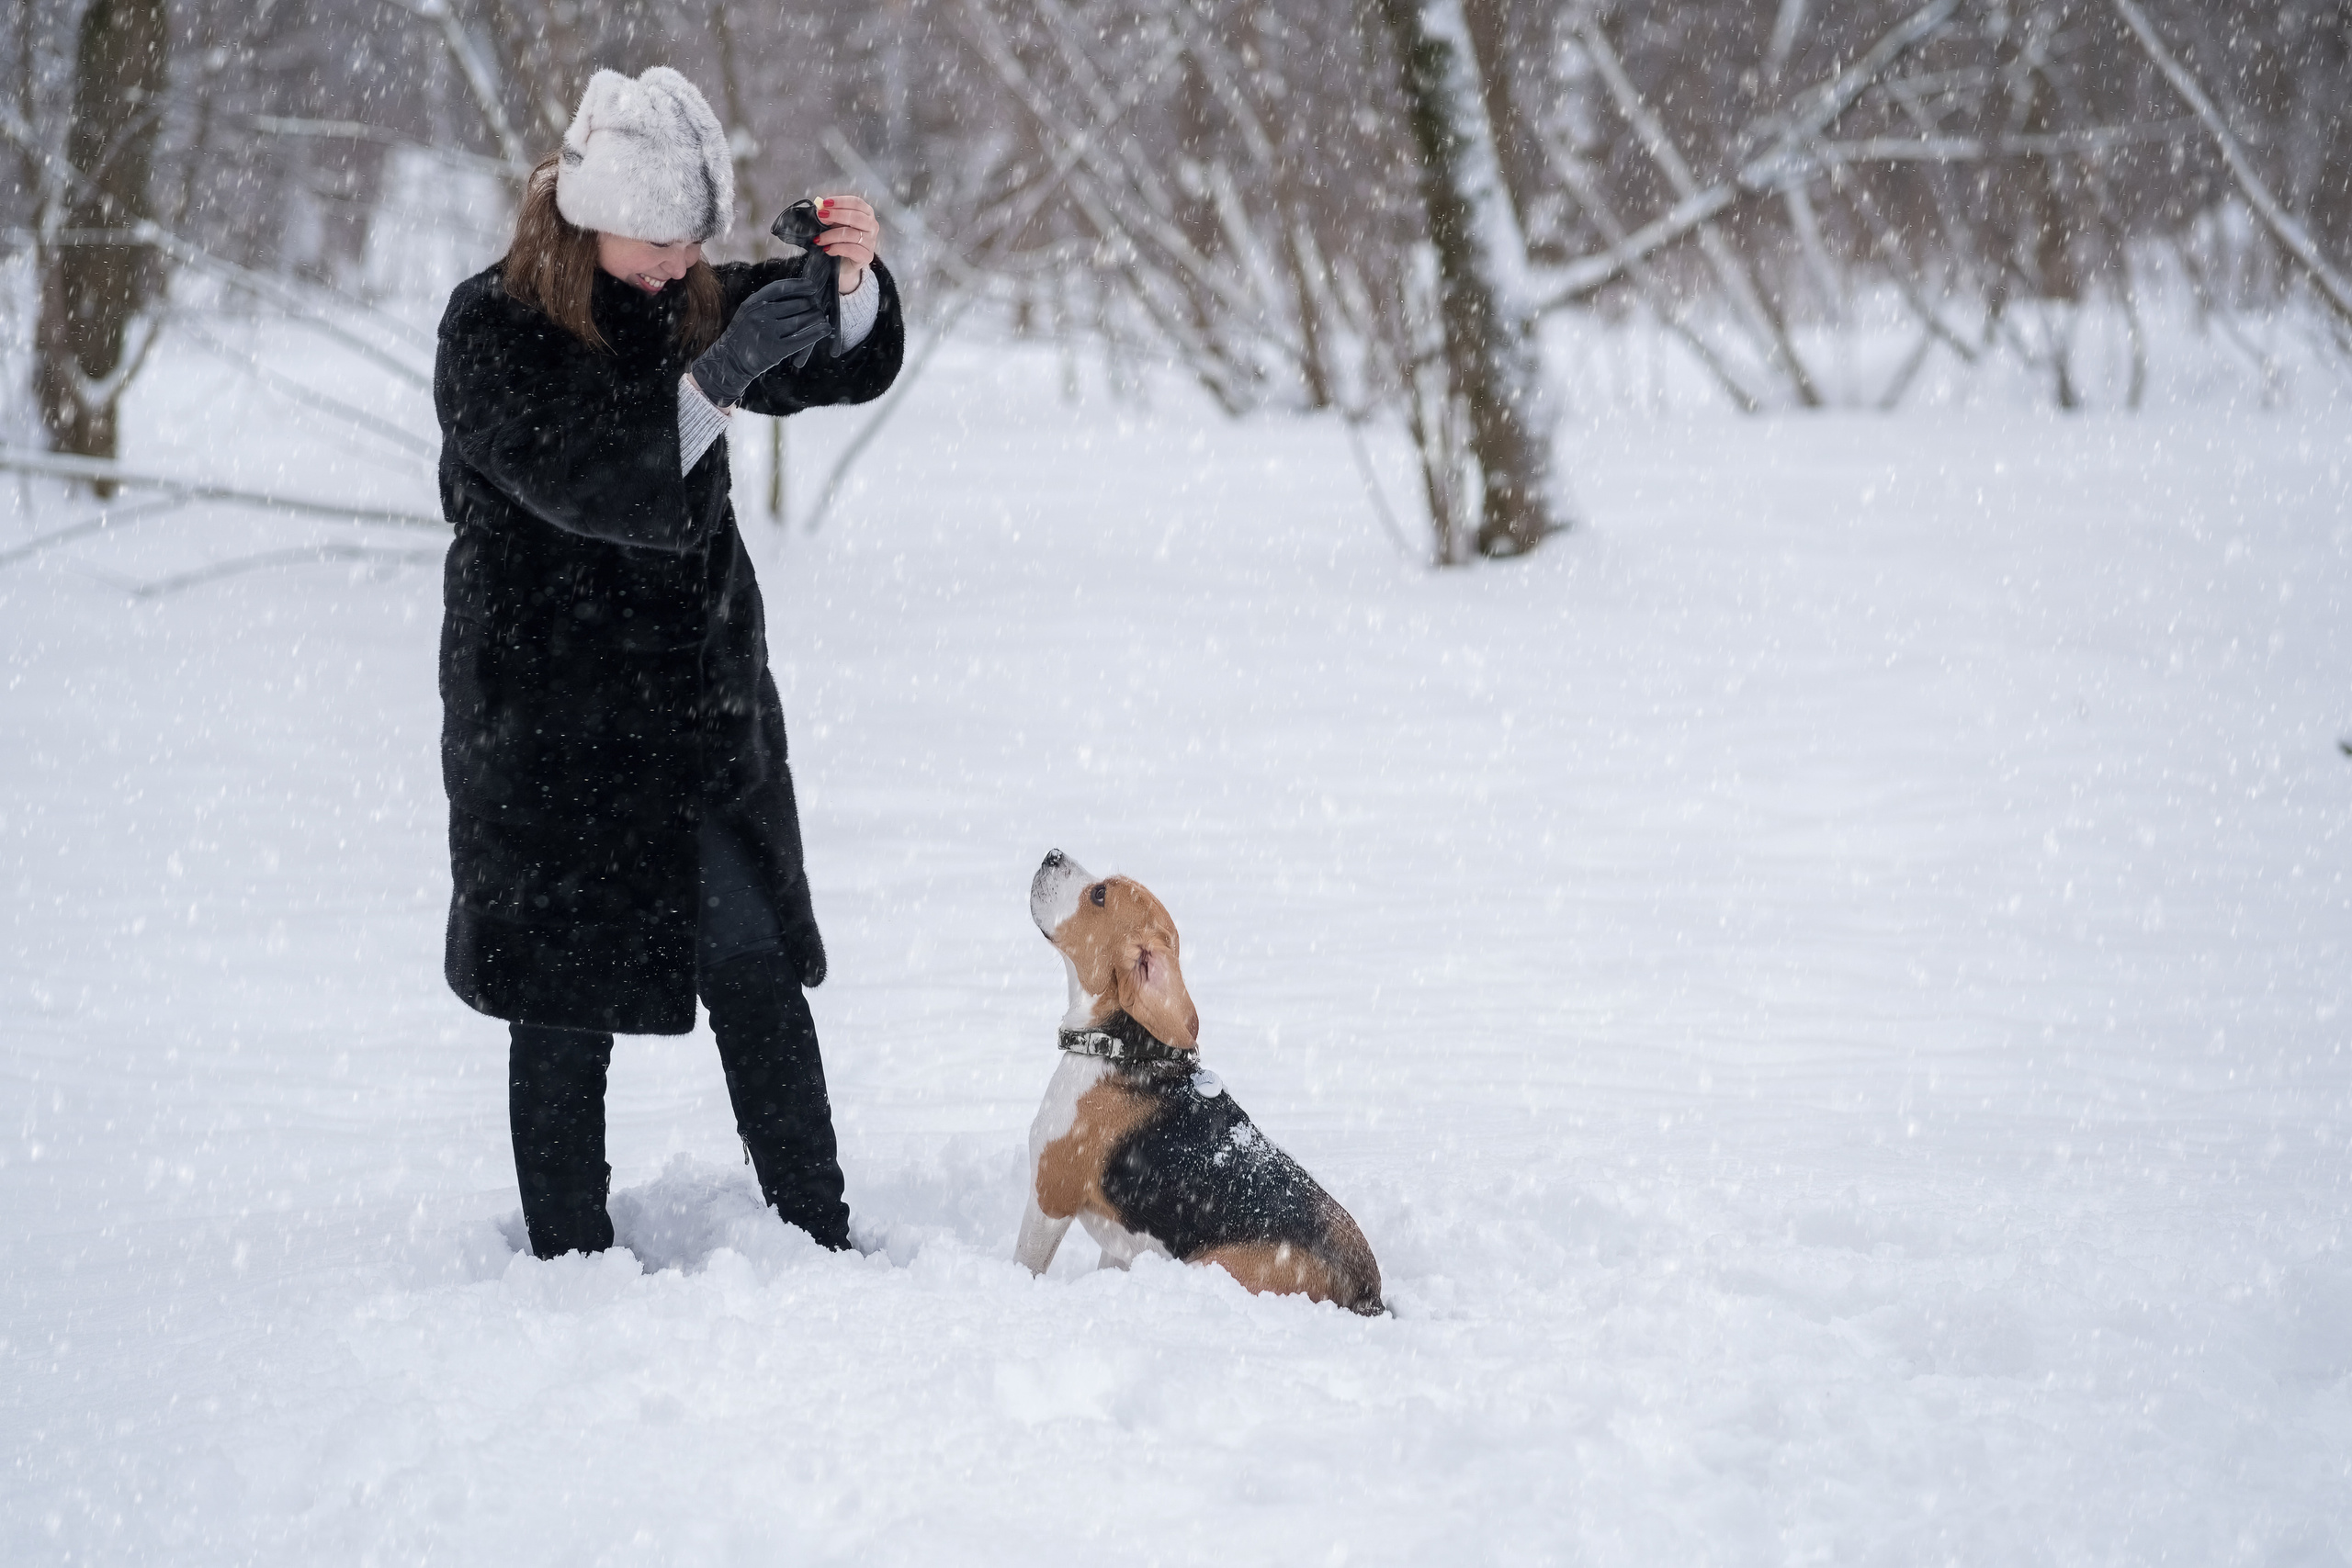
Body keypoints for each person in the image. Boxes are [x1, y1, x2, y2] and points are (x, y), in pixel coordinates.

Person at [432, 66, 901, 1258]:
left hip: (698, 718)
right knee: (561, 1008)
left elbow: (827, 357)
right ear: (586, 215)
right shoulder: (489, 328)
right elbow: (588, 481)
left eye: (695, 240)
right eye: (656, 239)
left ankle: (820, 1232)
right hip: (549, 726)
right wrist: (711, 383)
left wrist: (842, 284)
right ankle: (568, 1268)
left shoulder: (686, 294)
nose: (678, 264)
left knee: (753, 969)